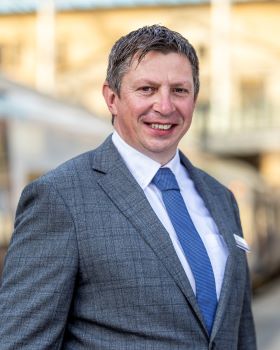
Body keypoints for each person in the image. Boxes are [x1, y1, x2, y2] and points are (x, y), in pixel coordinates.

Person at [0, 25, 256, 349]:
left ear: (194, 98)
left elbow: (241, 333)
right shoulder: (60, 198)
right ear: (112, 98)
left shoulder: (222, 198)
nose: (165, 106)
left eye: (179, 90)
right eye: (147, 89)